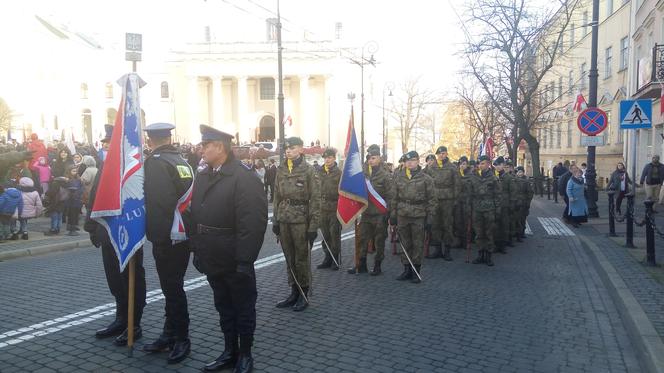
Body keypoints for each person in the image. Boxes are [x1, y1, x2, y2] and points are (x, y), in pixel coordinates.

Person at [190, 125, 267, 373]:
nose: (201, 150)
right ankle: (229, 351)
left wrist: (245, 260)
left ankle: (245, 354)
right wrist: (197, 250)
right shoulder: (203, 175)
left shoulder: (243, 177)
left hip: (234, 257)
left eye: (205, 146)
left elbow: (252, 223)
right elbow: (196, 216)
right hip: (212, 255)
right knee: (223, 306)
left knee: (243, 308)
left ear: (220, 148)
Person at [84, 124, 147, 346]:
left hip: (129, 231)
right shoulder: (105, 165)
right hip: (107, 231)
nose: (106, 145)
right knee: (115, 279)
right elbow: (96, 197)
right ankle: (121, 319)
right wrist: (91, 227)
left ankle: (134, 324)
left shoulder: (135, 165)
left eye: (110, 141)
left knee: (131, 278)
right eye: (106, 142)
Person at [139, 123, 194, 363]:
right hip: (183, 234)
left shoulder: (156, 163)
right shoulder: (181, 161)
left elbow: (160, 204)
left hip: (168, 236)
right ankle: (170, 333)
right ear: (169, 138)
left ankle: (181, 338)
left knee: (172, 289)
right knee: (174, 287)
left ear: (150, 140)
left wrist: (156, 237)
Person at [272, 137, 320, 311]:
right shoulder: (281, 168)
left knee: (301, 259)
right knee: (289, 258)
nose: (288, 151)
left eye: (292, 148)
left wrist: (313, 226)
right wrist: (275, 220)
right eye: (286, 149)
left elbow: (315, 200)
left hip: (301, 220)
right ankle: (293, 291)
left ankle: (304, 293)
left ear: (301, 149)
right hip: (284, 219)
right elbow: (277, 195)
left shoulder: (309, 170)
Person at [390, 151, 436, 283]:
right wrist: (393, 215)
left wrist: (430, 218)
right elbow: (394, 198)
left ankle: (416, 270)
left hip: (418, 215)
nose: (410, 163)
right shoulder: (398, 177)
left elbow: (432, 200)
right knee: (404, 243)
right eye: (408, 161)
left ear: (418, 162)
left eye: (413, 160)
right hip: (402, 214)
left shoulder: (426, 179)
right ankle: (406, 269)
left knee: (417, 244)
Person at [352, 144, 394, 275]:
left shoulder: (385, 175)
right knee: (362, 239)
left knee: (379, 240)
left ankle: (377, 265)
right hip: (366, 213)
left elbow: (391, 195)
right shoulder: (363, 174)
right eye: (369, 158)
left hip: (380, 214)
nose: (371, 160)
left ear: (379, 159)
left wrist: (390, 213)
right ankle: (361, 264)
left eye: (374, 158)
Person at [424, 146, 458, 261]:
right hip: (434, 199)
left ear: (447, 154)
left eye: (443, 153)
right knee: (435, 225)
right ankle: (437, 249)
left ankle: (447, 250)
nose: (441, 155)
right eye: (439, 154)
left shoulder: (452, 167)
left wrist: (455, 199)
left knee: (447, 225)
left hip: (447, 199)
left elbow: (457, 184)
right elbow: (427, 184)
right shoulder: (431, 167)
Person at [470, 155, 500, 266]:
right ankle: (480, 254)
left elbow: (498, 195)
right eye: (479, 163)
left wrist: (497, 210)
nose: (480, 165)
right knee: (479, 233)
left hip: (489, 209)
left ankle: (488, 255)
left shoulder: (493, 178)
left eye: (482, 163)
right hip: (477, 208)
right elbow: (470, 193)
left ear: (488, 164)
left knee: (489, 233)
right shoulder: (474, 177)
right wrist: (470, 207)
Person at [317, 147, 342, 271]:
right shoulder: (319, 172)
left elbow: (343, 192)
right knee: (325, 235)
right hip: (322, 208)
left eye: (330, 157)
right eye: (325, 158)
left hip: (334, 208)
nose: (327, 160)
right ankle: (327, 257)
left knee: (334, 235)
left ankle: (335, 258)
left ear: (334, 158)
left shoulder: (339, 173)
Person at [512, 167, 534, 241]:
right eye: (518, 172)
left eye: (521, 172)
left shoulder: (526, 182)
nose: (519, 173)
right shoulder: (513, 180)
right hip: (515, 202)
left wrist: (528, 203)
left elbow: (530, 193)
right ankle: (516, 233)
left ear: (523, 173)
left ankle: (521, 233)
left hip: (523, 203)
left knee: (522, 219)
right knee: (515, 218)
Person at [64, 165, 83, 236]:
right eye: (73, 171)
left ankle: (74, 225)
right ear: (69, 172)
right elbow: (66, 188)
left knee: (76, 213)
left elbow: (81, 187)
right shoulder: (67, 179)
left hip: (77, 198)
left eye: (76, 171)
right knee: (71, 213)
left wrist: (80, 193)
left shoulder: (78, 179)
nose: (75, 172)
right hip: (70, 199)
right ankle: (71, 227)